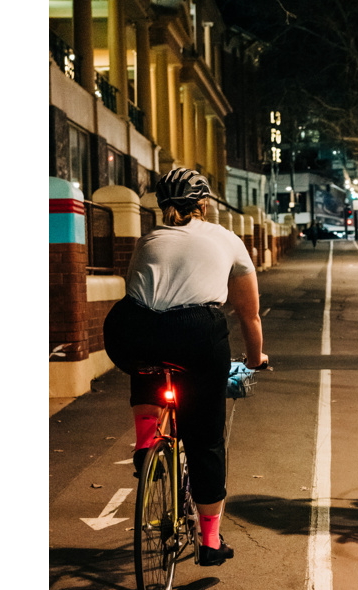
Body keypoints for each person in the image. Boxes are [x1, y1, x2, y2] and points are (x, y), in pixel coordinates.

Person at [103, 167, 268, 566]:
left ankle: (146, 441)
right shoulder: (227, 239)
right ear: (204, 205)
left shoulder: (148, 240)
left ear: (162, 206)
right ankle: (210, 540)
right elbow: (249, 314)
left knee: (147, 361)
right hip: (196, 335)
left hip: (127, 330)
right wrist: (254, 359)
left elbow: (140, 296)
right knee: (205, 439)